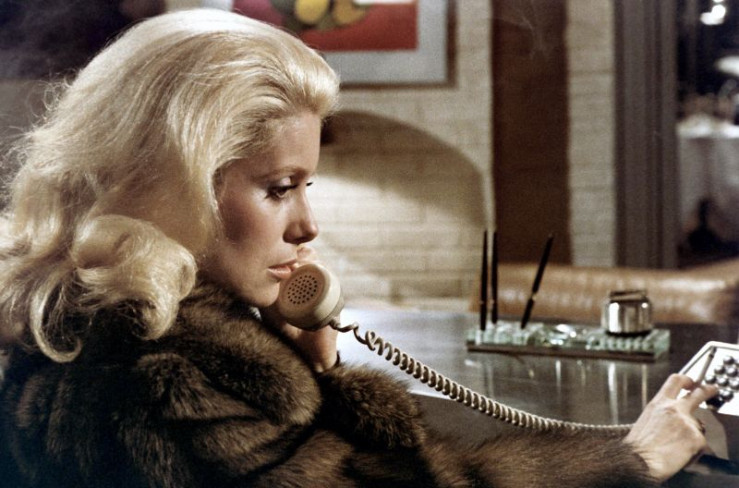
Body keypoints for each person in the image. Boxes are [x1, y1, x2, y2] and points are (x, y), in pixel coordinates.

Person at [0, 8, 718, 488]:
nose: (307, 227)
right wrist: (629, 458)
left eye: (305, 186)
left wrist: (318, 369)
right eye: (279, 188)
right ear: (171, 187)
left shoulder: (94, 320)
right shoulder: (163, 379)